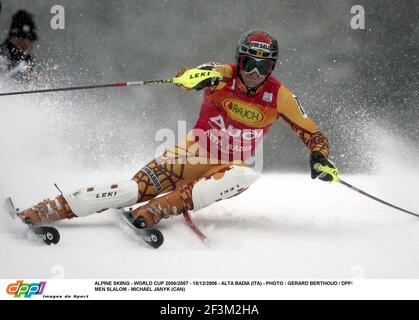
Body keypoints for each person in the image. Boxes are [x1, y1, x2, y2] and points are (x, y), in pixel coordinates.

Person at [16, 30, 336, 230]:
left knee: (246, 174)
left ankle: (155, 212)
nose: (253, 72)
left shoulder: (280, 97)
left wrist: (320, 157)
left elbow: (313, 134)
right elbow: (186, 76)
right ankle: (46, 210)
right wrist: (197, 77)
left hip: (227, 168)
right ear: (238, 60)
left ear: (272, 68)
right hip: (193, 153)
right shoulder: (222, 75)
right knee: (130, 190)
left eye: (262, 66)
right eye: (247, 63)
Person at [0, 10, 38, 81]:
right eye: (21, 36)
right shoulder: (3, 52)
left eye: (30, 38)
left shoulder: (29, 61)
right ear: (11, 37)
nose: (25, 42)